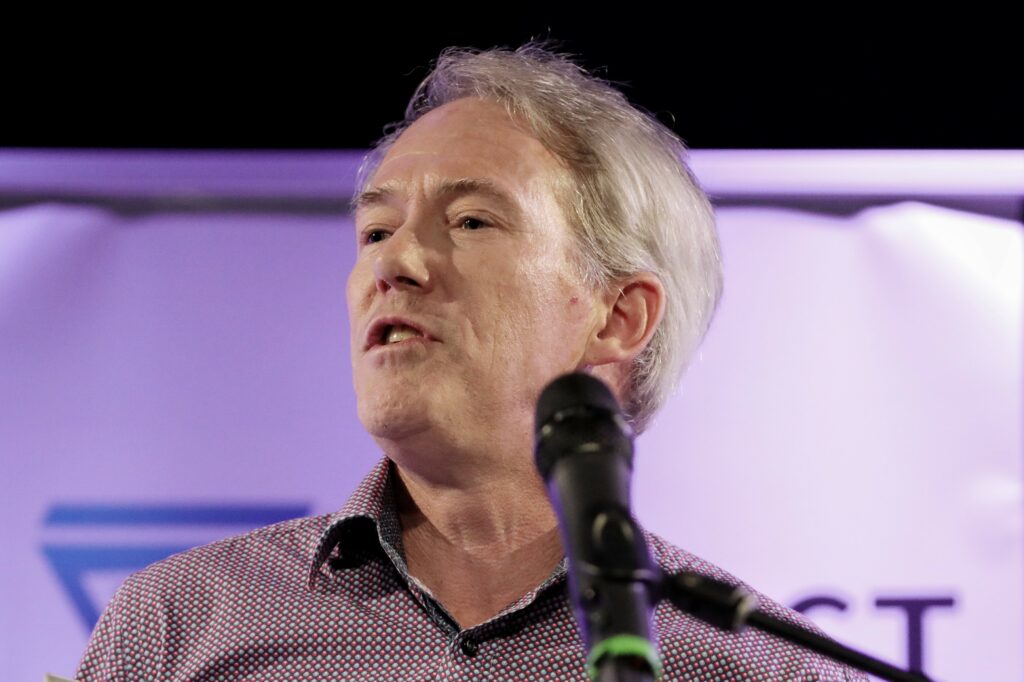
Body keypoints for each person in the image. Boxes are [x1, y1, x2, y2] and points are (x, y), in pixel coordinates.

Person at [76, 44, 865, 681]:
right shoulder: (176, 627)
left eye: (471, 221)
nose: (395, 263)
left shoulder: (763, 670)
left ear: (617, 316)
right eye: (376, 232)